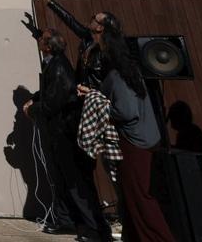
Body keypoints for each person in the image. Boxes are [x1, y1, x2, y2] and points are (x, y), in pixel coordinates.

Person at [80, 26, 175, 242]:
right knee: (133, 197)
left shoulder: (118, 76)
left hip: (134, 142)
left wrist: (98, 105)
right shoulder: (133, 70)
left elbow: (126, 111)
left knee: (139, 197)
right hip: (145, 139)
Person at [25, 28, 113, 241]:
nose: (38, 41)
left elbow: (54, 102)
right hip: (58, 133)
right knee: (62, 178)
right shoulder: (54, 64)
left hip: (65, 132)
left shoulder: (58, 67)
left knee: (76, 182)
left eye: (42, 39)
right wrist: (35, 99)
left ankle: (96, 229)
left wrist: (33, 109)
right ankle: (67, 220)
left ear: (48, 46)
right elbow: (51, 92)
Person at [37, 0, 118, 89]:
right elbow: (69, 20)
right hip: (79, 93)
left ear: (100, 28)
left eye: (94, 18)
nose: (91, 19)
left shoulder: (107, 52)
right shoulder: (88, 38)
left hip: (93, 98)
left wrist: (90, 92)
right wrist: (48, 0)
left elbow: (109, 82)